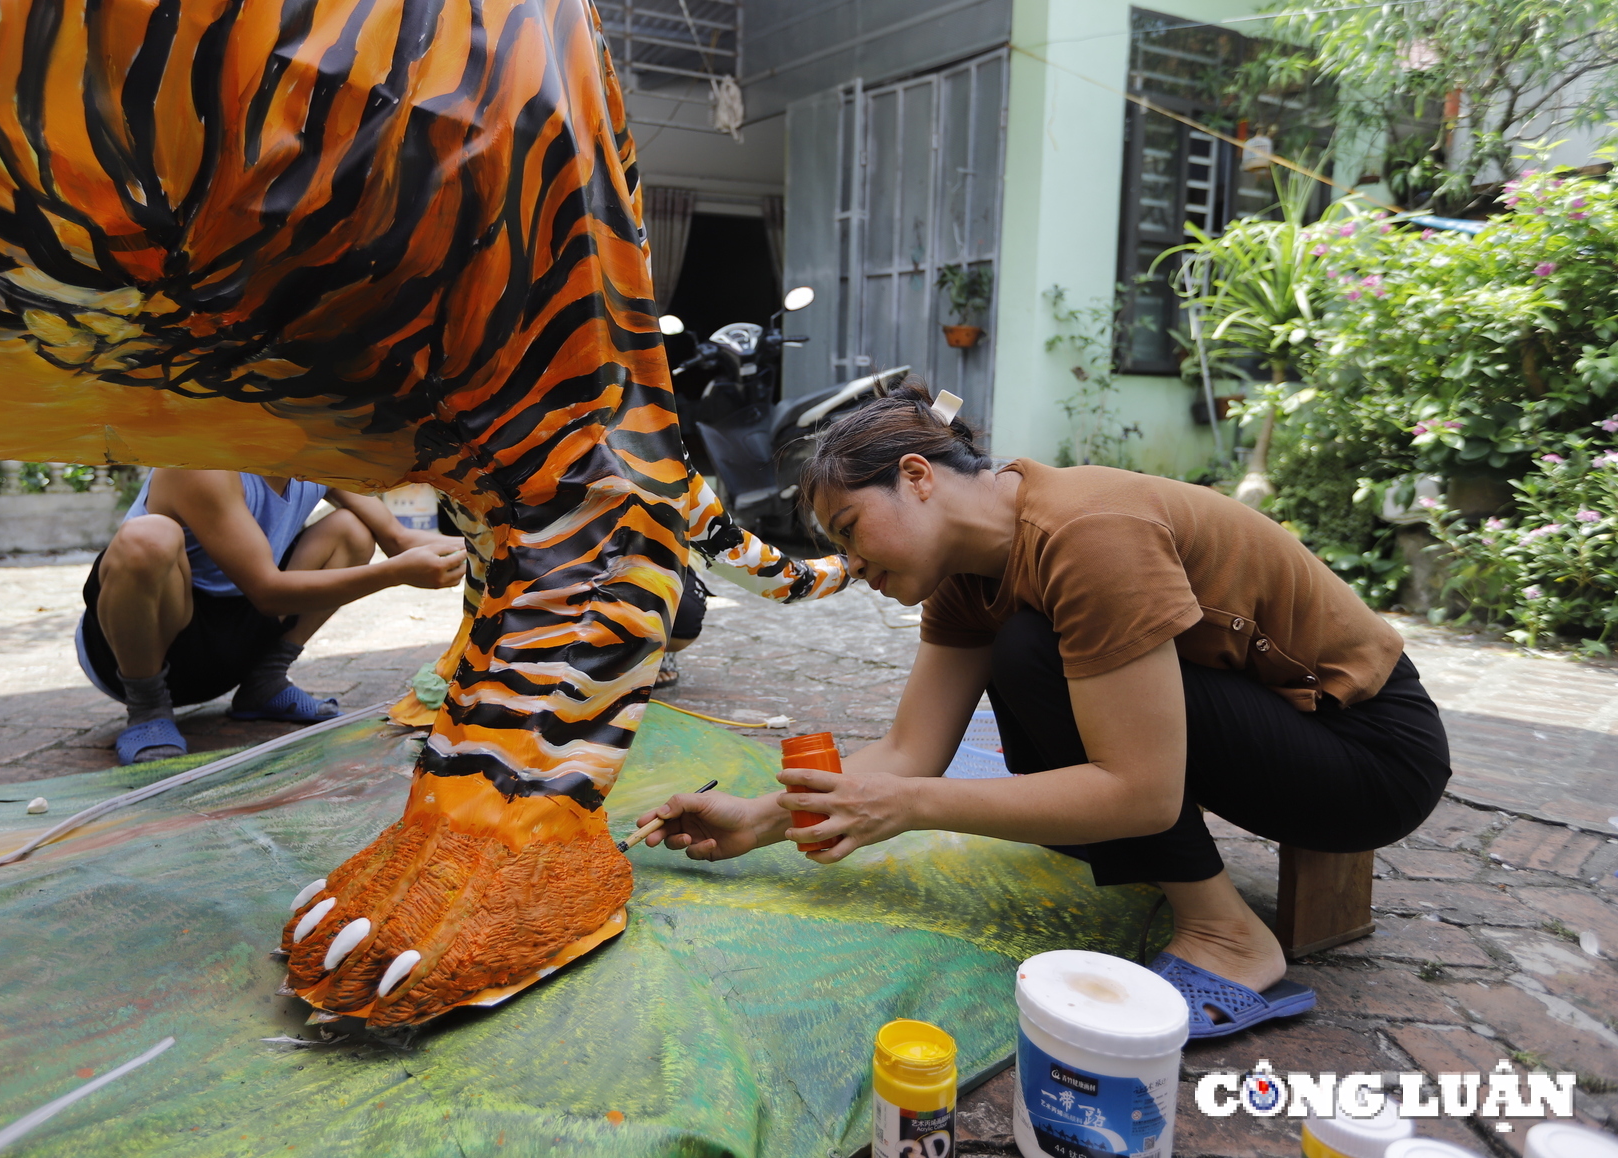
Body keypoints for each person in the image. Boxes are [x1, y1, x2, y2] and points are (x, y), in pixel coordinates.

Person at [636, 380, 1450, 1039]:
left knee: (1034, 652)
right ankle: (1194, 897)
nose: (851, 563)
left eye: (850, 528)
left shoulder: (1088, 533)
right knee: (1031, 654)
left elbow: (1141, 793)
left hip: (1370, 755)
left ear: (917, 477)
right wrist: (757, 819)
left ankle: (1230, 938)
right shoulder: (966, 577)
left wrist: (912, 807)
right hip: (1278, 729)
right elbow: (909, 751)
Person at [76, 469, 466, 764]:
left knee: (353, 530)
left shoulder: (313, 456)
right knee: (147, 538)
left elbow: (398, 539)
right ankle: (146, 706)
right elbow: (267, 592)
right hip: (141, 643)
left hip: (238, 642)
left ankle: (265, 682)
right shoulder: (200, 462)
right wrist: (395, 574)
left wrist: (498, 544)